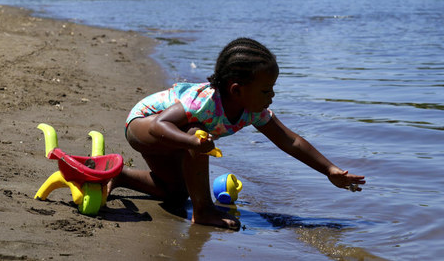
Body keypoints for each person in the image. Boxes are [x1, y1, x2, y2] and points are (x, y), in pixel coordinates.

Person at [109, 37, 365, 230]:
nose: (272, 96)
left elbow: (290, 141)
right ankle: (204, 210)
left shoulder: (253, 111)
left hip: (173, 139)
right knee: (198, 134)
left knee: (176, 193)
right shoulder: (204, 102)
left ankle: (120, 175)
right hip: (143, 125)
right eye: (266, 90)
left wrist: (329, 170)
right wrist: (192, 142)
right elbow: (159, 126)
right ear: (236, 90)